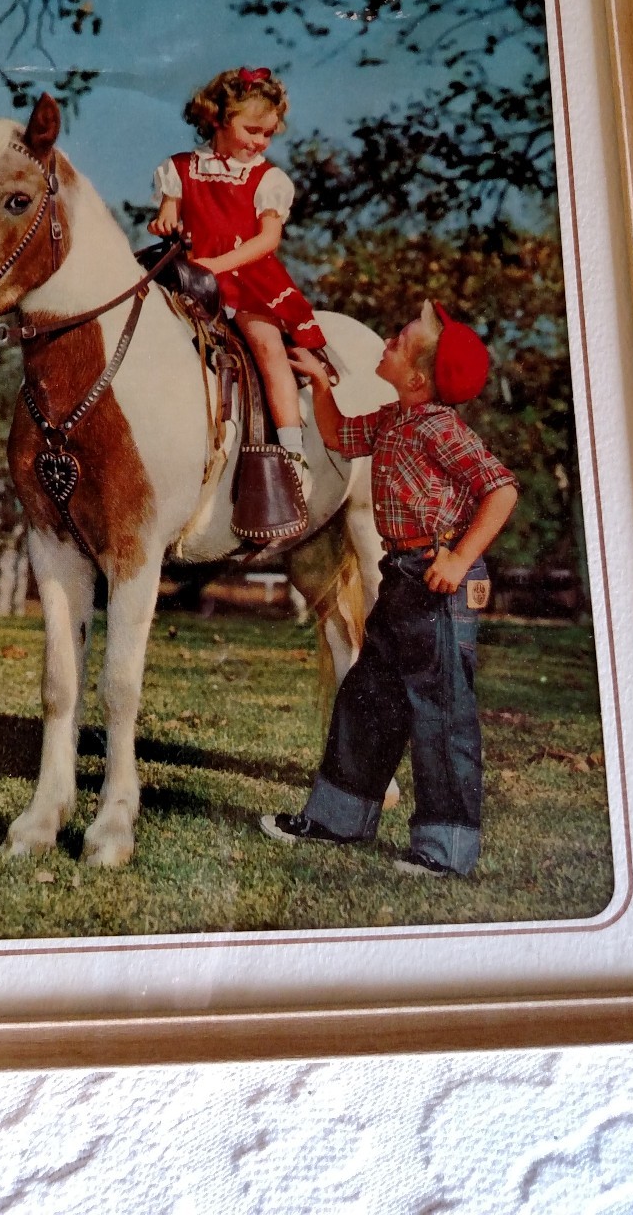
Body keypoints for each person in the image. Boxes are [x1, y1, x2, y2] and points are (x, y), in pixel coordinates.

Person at [260, 300, 518, 877]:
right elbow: (338, 435)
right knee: (367, 696)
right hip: (401, 577)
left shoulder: (444, 431)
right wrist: (323, 385)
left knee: (441, 713)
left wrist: (459, 559)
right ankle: (339, 817)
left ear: (418, 378)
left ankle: (445, 850)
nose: (387, 342)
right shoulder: (391, 419)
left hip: (441, 581)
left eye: (399, 341)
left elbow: (500, 490)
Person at [149, 65, 331, 479]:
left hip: (245, 275)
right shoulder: (178, 168)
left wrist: (218, 265)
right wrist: (165, 220)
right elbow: (169, 213)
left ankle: (292, 449)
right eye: (252, 130)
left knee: (267, 348)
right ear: (217, 119)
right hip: (190, 275)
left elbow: (267, 240)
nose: (260, 142)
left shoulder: (267, 178)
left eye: (267, 133)